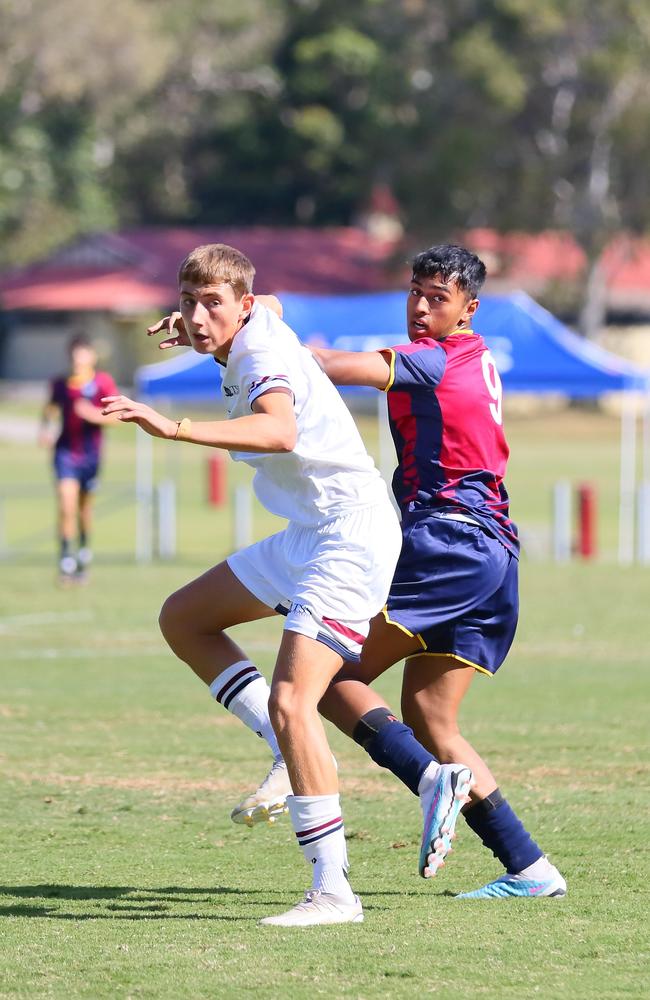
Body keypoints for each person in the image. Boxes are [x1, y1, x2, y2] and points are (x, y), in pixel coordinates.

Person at [101, 243, 473, 927]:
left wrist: (174, 427)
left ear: (240, 308)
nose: (197, 313)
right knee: (184, 618)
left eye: (212, 302)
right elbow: (267, 303)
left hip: (348, 535)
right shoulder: (256, 319)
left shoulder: (260, 355)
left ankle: (334, 892)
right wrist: (198, 321)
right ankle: (306, 755)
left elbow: (277, 430)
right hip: (311, 531)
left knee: (294, 701)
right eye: (188, 301)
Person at [313, 244, 567, 900]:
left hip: (449, 541)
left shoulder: (436, 359)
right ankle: (530, 867)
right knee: (431, 717)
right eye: (415, 293)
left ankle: (431, 780)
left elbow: (334, 367)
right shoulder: (472, 358)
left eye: (439, 298)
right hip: (494, 553)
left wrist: (260, 330)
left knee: (326, 675)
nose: (422, 307)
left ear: (469, 310)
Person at [40, 334, 118, 583]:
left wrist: (94, 415)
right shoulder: (60, 384)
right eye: (74, 353)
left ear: (92, 357)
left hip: (91, 456)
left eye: (83, 353)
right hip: (65, 453)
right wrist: (46, 429)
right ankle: (66, 560)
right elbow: (50, 410)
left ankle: (83, 553)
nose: (78, 358)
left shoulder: (103, 383)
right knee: (66, 504)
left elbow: (116, 416)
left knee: (84, 509)